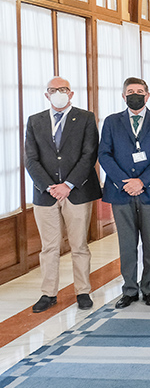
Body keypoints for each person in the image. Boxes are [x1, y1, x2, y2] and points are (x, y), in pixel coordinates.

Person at [25, 77, 102, 313]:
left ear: (71, 93)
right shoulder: (35, 121)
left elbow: (89, 155)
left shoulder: (85, 118)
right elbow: (30, 158)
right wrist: (50, 186)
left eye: (63, 89)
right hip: (45, 193)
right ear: (46, 95)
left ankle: (83, 291)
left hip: (76, 191)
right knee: (49, 247)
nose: (58, 93)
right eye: (53, 90)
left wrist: (67, 185)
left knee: (79, 245)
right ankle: (48, 293)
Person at [98, 77, 150, 309]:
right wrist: (124, 182)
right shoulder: (112, 121)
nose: (135, 95)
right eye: (130, 91)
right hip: (121, 191)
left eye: (140, 91)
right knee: (127, 243)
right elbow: (104, 155)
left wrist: (142, 181)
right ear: (123, 96)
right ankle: (129, 289)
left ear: (147, 96)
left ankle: (149, 289)